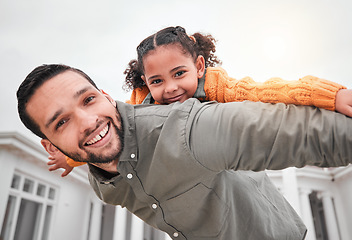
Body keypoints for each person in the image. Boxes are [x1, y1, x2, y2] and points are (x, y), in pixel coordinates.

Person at [17, 64, 352, 239]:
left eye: (88, 99)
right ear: (50, 145)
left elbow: (299, 134)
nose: (88, 122)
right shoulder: (103, 183)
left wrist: (334, 98)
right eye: (61, 123)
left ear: (105, 95)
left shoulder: (184, 129)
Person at [48, 26, 352, 175]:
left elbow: (271, 90)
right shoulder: (140, 105)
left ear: (200, 67)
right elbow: (107, 134)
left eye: (179, 73)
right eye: (157, 81)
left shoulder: (221, 87)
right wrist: (72, 158)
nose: (170, 88)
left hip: (222, 155)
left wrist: (331, 95)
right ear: (145, 82)